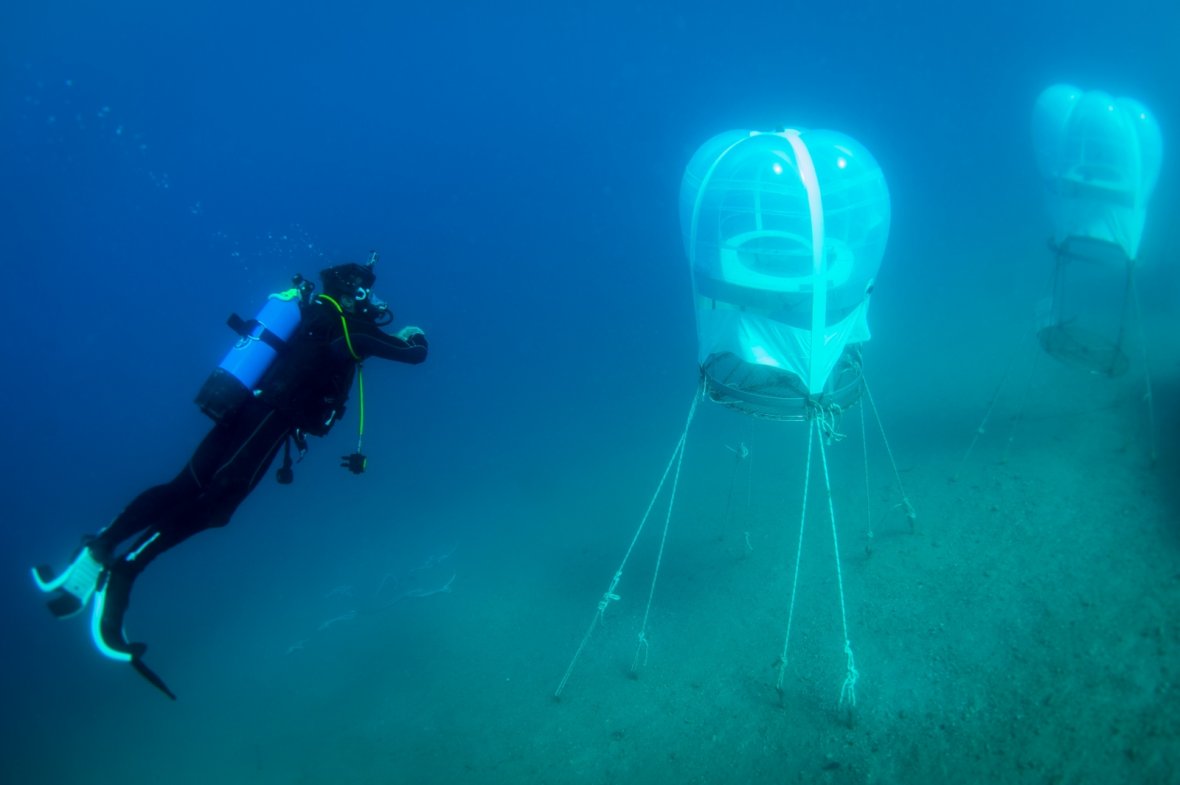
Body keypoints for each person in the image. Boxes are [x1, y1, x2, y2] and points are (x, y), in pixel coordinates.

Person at [31, 254, 427, 698]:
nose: (373, 299)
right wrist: (415, 334)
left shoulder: (315, 316)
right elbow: (413, 354)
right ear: (354, 290)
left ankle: (100, 548)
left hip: (245, 406)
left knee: (186, 485)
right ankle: (123, 571)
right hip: (271, 418)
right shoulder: (345, 325)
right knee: (216, 506)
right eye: (367, 290)